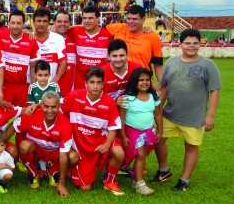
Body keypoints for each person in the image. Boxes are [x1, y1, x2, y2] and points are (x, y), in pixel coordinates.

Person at [153, 28, 221, 191]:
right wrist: (159, 110)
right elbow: (164, 88)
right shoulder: (171, 62)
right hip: (170, 113)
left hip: (193, 117)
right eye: (187, 43)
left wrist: (210, 115)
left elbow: (215, 90)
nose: (191, 46)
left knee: (191, 146)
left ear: (200, 44)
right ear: (180, 44)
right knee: (157, 140)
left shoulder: (207, 65)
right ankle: (164, 171)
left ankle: (184, 180)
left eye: (195, 43)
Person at [59, 67, 124, 196]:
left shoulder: (109, 102)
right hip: (80, 147)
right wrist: (35, 106)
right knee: (85, 188)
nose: (95, 86)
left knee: (119, 152)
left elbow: (114, 128)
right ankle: (73, 170)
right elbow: (55, 107)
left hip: (100, 142)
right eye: (92, 82)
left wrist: (106, 145)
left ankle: (109, 180)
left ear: (102, 84)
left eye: (98, 82)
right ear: (85, 83)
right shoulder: (74, 96)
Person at [11, 91, 76, 190]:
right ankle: (32, 173)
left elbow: (63, 155)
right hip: (37, 150)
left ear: (59, 106)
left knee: (74, 157)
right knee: (24, 146)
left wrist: (61, 183)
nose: (50, 110)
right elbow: (13, 127)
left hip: (54, 152)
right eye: (46, 106)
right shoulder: (31, 114)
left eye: (53, 107)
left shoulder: (66, 125)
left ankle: (52, 170)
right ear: (41, 106)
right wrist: (1, 146)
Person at [119, 68, 161, 196]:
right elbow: (121, 118)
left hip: (148, 131)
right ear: (134, 81)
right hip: (132, 131)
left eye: (147, 80)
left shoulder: (153, 97)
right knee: (140, 155)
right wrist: (123, 135)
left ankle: (137, 180)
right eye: (141, 80)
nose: (144, 82)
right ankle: (140, 184)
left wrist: (159, 131)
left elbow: (158, 115)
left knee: (141, 156)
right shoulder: (128, 98)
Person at [105, 5, 164, 81]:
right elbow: (96, 30)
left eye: (134, 19)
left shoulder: (153, 37)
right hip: (118, 81)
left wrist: (162, 87)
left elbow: (158, 64)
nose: (130, 22)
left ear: (143, 19)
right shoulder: (118, 28)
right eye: (128, 18)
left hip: (142, 81)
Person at [0, 10, 40, 107]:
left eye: (19, 23)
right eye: (13, 23)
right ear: (9, 23)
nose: (15, 26)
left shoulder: (31, 41)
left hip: (23, 87)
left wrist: (33, 91)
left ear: (24, 24)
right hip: (4, 86)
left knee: (23, 118)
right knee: (4, 118)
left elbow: (33, 69)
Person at [67, 6, 111, 91]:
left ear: (98, 18)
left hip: (99, 85)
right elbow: (58, 28)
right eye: (84, 18)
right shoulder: (75, 31)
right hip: (79, 84)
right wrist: (33, 33)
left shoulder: (108, 34)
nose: (87, 21)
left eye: (90, 18)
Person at [31, 8, 67, 86]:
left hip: (50, 86)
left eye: (45, 21)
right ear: (33, 22)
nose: (41, 24)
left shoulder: (58, 38)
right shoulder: (28, 38)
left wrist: (54, 82)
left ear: (49, 23)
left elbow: (63, 63)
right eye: (39, 21)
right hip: (30, 86)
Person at [53, 11, 76, 97]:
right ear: (54, 22)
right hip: (48, 91)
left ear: (70, 23)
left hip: (69, 93)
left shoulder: (75, 40)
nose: (62, 24)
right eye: (59, 21)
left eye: (66, 22)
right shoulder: (45, 39)